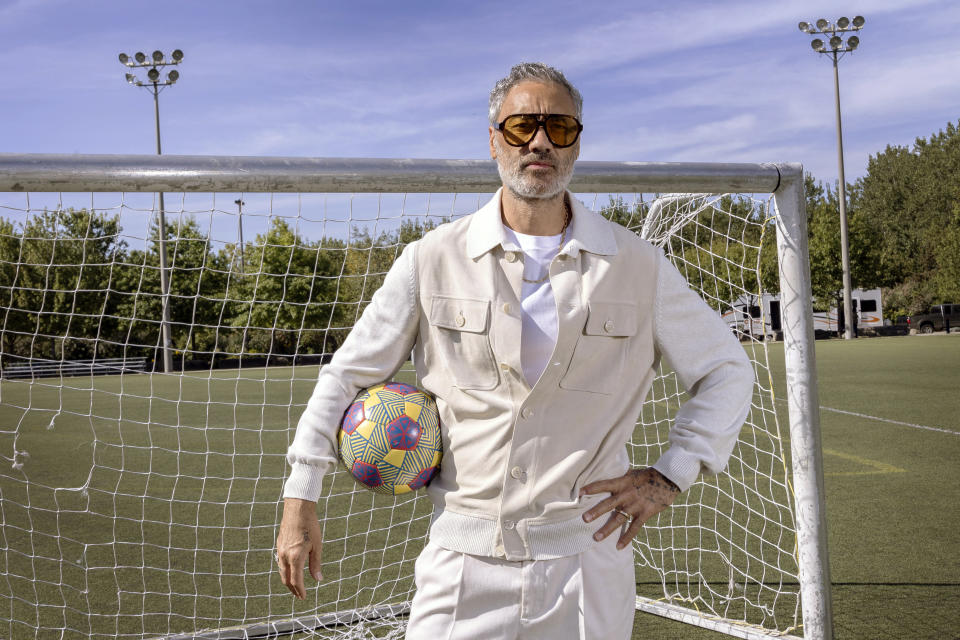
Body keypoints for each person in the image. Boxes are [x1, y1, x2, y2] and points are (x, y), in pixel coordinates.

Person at [276, 62, 754, 639]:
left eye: (560, 127)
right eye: (522, 125)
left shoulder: (637, 265)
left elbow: (726, 369)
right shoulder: (431, 260)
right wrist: (300, 497)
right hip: (463, 560)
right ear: (494, 140)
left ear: (577, 141)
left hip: (588, 560)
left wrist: (672, 474)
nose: (540, 142)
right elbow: (346, 378)